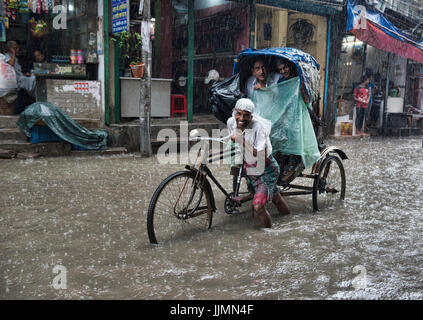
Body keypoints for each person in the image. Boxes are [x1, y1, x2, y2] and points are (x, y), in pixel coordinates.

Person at [227, 98, 290, 228]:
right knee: (276, 197)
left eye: (246, 115)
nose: (241, 118)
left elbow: (258, 153)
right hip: (250, 166)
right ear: (234, 112)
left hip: (266, 168)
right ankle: (289, 220)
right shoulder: (231, 122)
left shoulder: (258, 127)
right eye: (239, 113)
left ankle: (267, 238)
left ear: (251, 116)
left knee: (258, 206)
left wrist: (241, 140)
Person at [4, 41, 36, 112]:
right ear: (11, 48)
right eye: (16, 48)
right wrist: (13, 53)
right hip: (13, 81)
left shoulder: (16, 58)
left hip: (19, 78)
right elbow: (11, 65)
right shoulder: (7, 56)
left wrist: (25, 74)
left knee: (33, 78)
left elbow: (18, 71)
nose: (18, 49)